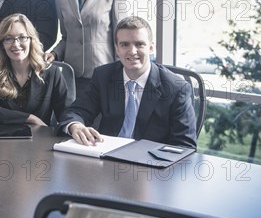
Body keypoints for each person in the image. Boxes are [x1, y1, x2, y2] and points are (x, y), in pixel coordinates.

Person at [57, 16, 197, 149]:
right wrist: (75, 125)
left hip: (150, 165)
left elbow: (184, 146)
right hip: (106, 157)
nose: (132, 51)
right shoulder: (103, 76)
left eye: (139, 44)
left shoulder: (176, 88)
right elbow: (77, 111)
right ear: (117, 49)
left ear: (151, 48)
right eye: (125, 45)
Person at [0, 13, 68, 126]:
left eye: (22, 37)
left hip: (39, 139)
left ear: (31, 40)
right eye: (8, 38)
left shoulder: (52, 72)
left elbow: (66, 111)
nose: (16, 44)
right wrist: (29, 118)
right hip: (3, 139)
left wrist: (74, 125)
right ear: (1, 44)